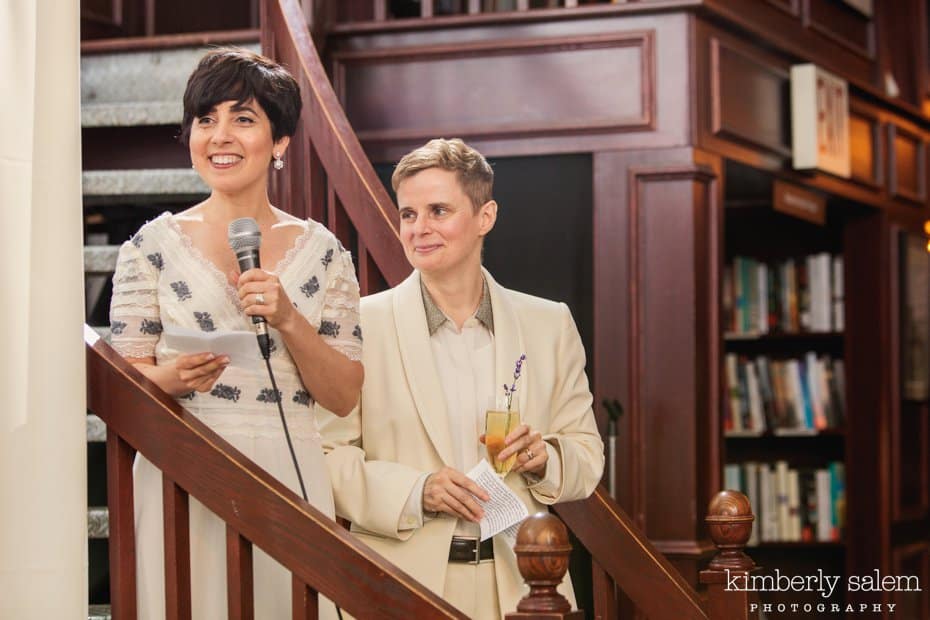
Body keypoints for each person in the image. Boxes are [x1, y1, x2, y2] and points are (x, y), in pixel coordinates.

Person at [109, 48, 362, 619]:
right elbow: (121, 381)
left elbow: (344, 395)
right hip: (183, 472)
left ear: (280, 143)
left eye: (242, 119)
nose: (220, 136)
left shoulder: (323, 252)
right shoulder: (150, 247)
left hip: (287, 472)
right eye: (206, 119)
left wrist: (289, 318)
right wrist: (168, 378)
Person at [318, 138, 604, 618]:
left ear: (485, 217)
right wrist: (416, 490)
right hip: (396, 587)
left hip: (525, 588)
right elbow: (324, 459)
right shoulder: (360, 327)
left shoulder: (549, 324)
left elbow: (587, 457)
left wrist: (544, 458)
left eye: (438, 210)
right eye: (408, 214)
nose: (419, 229)